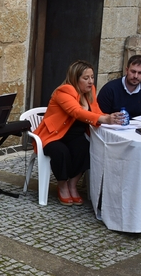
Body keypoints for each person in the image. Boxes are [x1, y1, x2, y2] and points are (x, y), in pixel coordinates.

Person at [33, 60, 124, 205]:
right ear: (75, 78)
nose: (90, 81)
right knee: (61, 152)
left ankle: (72, 184)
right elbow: (76, 112)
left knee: (86, 148)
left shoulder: (90, 91)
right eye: (86, 78)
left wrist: (108, 118)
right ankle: (62, 186)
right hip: (54, 136)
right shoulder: (63, 92)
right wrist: (105, 119)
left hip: (74, 136)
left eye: (92, 77)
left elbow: (95, 111)